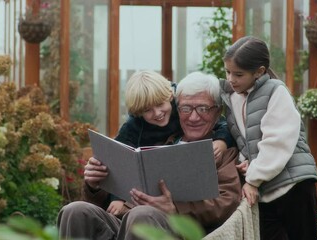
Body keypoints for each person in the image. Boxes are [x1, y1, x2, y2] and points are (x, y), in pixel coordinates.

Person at [57, 71, 241, 240]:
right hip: (124, 222)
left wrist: (175, 209)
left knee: (142, 214)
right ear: (178, 109)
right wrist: (94, 185)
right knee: (75, 211)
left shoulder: (221, 151)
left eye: (202, 109)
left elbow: (227, 200)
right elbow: (114, 192)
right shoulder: (158, 141)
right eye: (186, 109)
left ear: (217, 113)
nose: (193, 117)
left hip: (170, 227)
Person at [219, 36, 317, 239]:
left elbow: (277, 142)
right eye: (228, 72)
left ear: (259, 72)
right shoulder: (232, 98)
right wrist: (247, 162)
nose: (231, 79)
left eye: (238, 74)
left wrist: (253, 179)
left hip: (294, 187)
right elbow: (246, 140)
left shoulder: (276, 92)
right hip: (266, 192)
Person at [108, 70, 235, 215]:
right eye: (147, 110)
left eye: (160, 104)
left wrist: (222, 141)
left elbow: (222, 123)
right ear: (138, 112)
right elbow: (118, 160)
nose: (157, 113)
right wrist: (117, 197)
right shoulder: (132, 127)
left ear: (170, 96)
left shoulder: (181, 104)